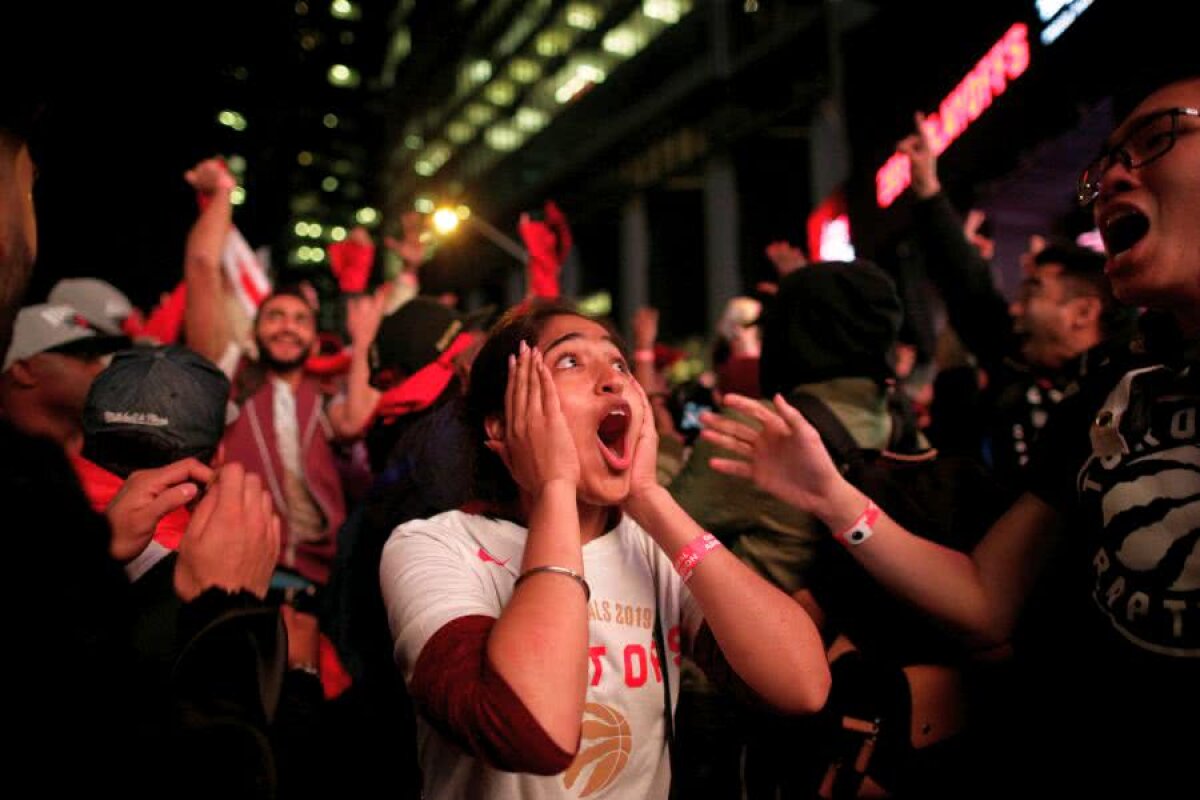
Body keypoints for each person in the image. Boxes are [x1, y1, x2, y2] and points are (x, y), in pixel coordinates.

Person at [703, 74, 1200, 796]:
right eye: (1104, 166)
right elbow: (986, 600)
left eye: (1155, 139)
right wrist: (833, 497)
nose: (1114, 177)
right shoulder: (1110, 393)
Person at [380, 300, 830, 799]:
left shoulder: (651, 548)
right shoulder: (434, 545)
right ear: (503, 426)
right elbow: (533, 734)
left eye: (618, 363)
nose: (613, 379)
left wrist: (652, 499)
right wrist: (554, 487)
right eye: (570, 360)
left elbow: (802, 686)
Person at [898, 111, 1136, 485]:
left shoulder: (1135, 389)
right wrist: (927, 188)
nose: (1015, 307)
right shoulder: (1018, 369)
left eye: (1034, 289)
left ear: (1083, 311)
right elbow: (969, 289)